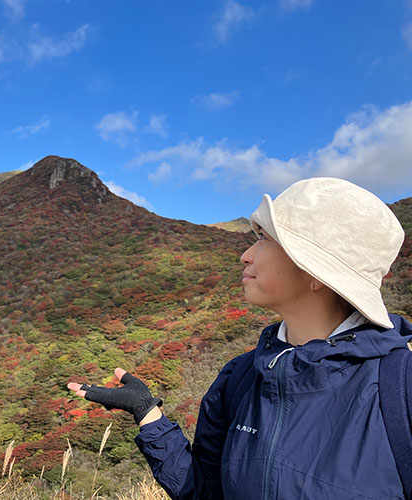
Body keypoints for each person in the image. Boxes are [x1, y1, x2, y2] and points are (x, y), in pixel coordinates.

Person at [69, 177, 412, 499]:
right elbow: (205, 491)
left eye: (264, 239)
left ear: (316, 272)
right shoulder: (240, 377)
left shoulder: (401, 387)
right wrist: (148, 414)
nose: (246, 254)